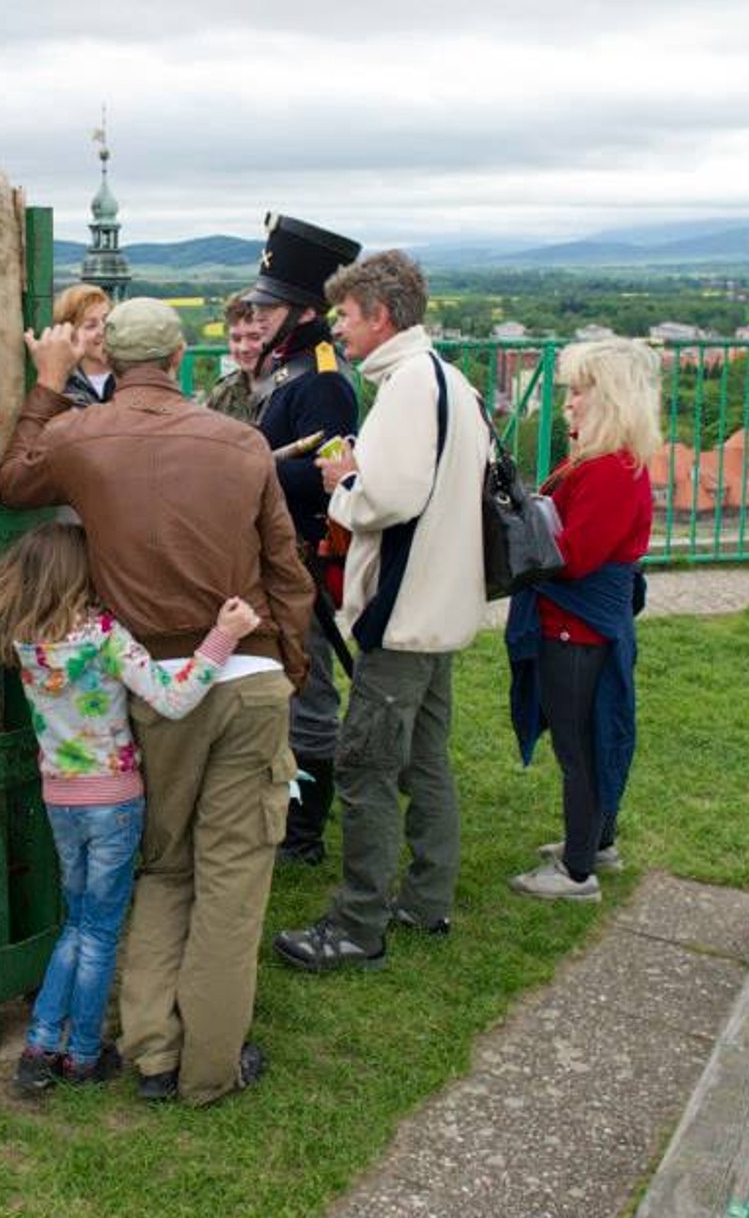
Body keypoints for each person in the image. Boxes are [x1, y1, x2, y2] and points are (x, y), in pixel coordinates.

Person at [0, 297, 312, 1106]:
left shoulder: (77, 435)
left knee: (164, 869)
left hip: (152, 685)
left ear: (121, 361)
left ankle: (151, 1053)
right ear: (179, 362)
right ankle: (211, 1067)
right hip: (246, 670)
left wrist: (48, 386)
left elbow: (11, 479)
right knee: (233, 877)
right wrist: (292, 666)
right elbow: (286, 571)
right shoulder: (241, 443)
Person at [0, 522, 261, 1093]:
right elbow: (173, 699)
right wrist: (221, 637)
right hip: (114, 802)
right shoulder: (103, 635)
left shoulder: (27, 643)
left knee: (76, 924)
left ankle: (39, 1048)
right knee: (99, 932)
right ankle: (80, 1054)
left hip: (61, 802)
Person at [271, 248, 487, 971]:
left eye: (346, 314)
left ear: (381, 316)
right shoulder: (451, 380)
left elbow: (385, 499)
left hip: (402, 611)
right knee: (425, 761)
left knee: (366, 768)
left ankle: (358, 924)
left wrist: (342, 478)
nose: (338, 327)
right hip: (442, 603)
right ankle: (427, 898)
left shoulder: (403, 389)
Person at [505, 338, 659, 901]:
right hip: (588, 624)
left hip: (577, 628)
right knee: (592, 737)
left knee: (580, 748)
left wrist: (522, 526)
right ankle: (594, 842)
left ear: (610, 398)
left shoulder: (609, 471)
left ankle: (577, 870)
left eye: (578, 391)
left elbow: (573, 559)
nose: (568, 403)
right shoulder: (611, 463)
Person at [241, 214, 363, 867]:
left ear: (305, 310)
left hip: (303, 560)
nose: (258, 318)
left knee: (309, 690)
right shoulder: (287, 365)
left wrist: (250, 466)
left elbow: (326, 483)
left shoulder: (321, 376)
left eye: (272, 305)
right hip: (274, 550)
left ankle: (305, 831)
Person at [202, 293, 268, 423]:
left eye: (255, 337)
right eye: (236, 339)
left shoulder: (292, 389)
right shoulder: (223, 392)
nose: (244, 348)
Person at [53, 283, 116, 406]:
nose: (103, 331)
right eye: (91, 326)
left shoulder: (132, 375)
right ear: (69, 334)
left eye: (107, 321)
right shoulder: (60, 386)